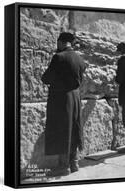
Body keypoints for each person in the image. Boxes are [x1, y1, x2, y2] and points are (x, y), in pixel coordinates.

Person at [41, 31, 86, 175]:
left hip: (62, 98)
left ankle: (63, 167)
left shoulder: (58, 57)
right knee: (74, 128)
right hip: (75, 97)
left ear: (60, 42)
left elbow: (46, 78)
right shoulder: (80, 59)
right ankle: (74, 162)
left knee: (63, 129)